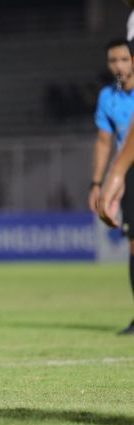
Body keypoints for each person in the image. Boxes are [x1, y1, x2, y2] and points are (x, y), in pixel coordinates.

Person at [90, 38, 134, 336]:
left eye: (123, 59)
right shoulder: (108, 97)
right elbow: (105, 141)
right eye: (112, 61)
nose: (117, 65)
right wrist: (97, 182)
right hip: (129, 174)